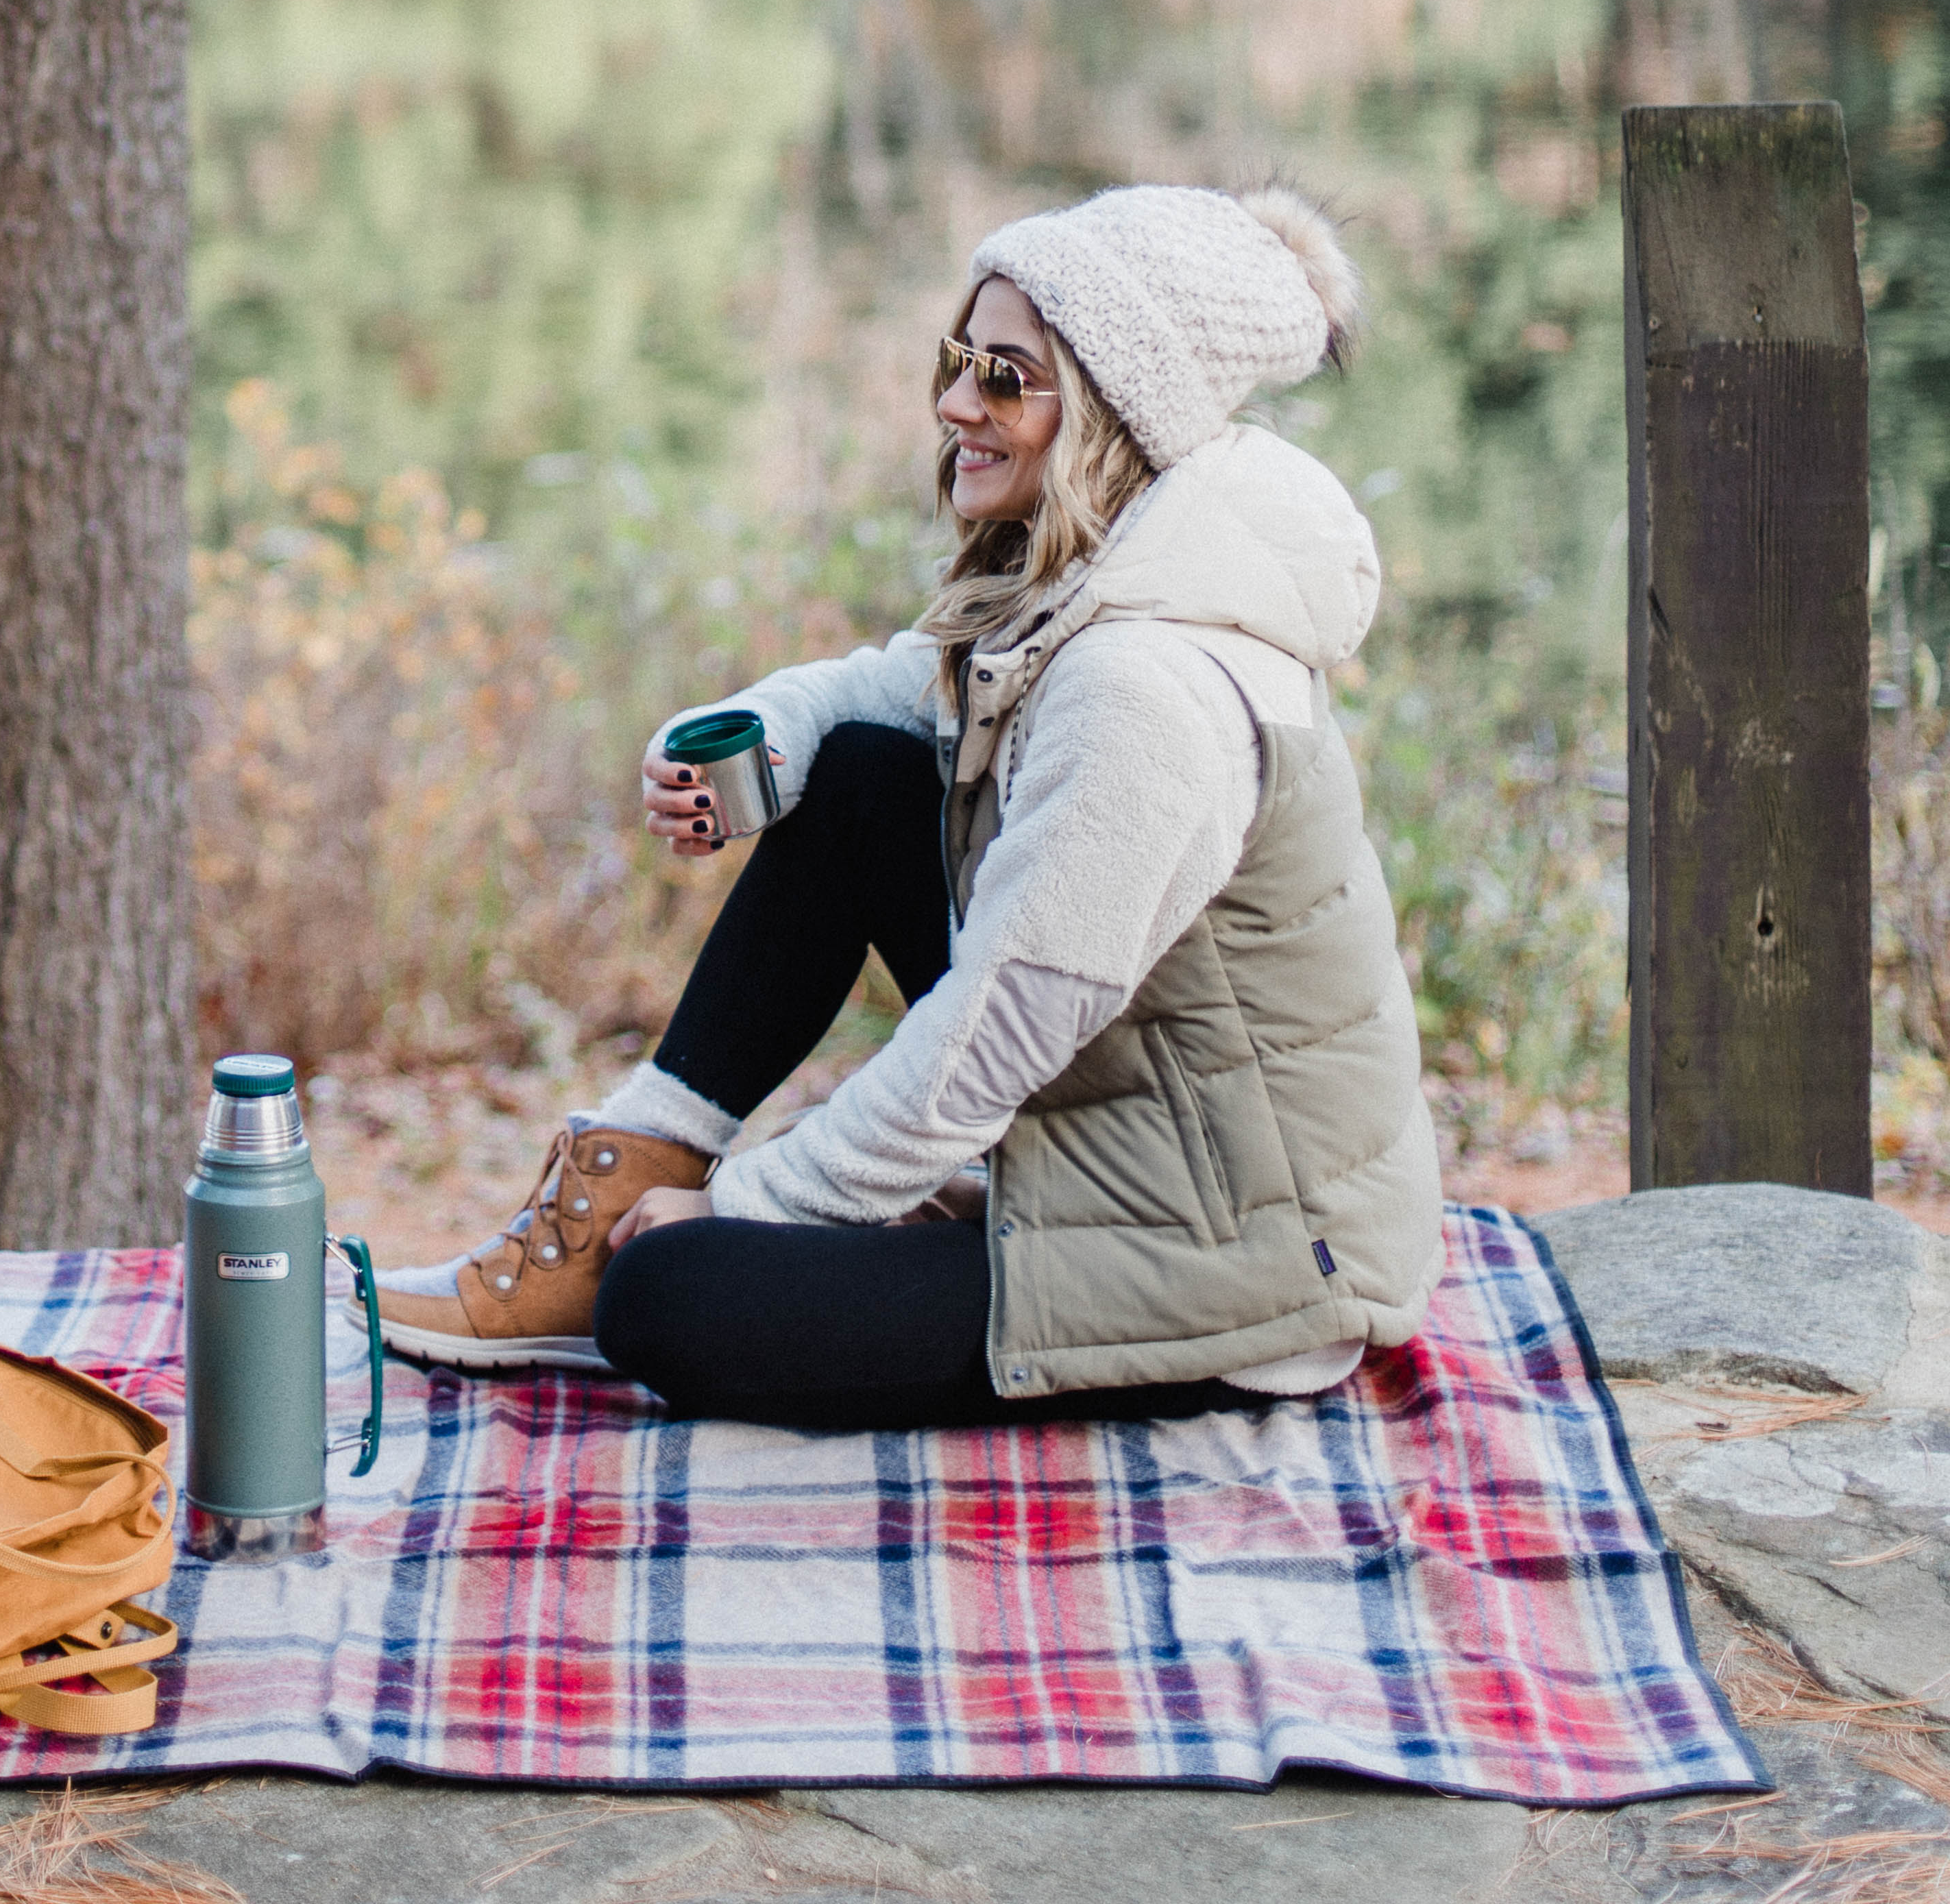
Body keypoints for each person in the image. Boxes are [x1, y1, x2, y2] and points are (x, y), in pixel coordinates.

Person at [367, 181, 1442, 1435]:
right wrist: (762, 733)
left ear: (1110, 409)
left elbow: (990, 1040)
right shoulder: (1110, 566)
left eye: (1005, 377)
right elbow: (885, 693)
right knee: (866, 771)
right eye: (958, 359)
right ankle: (621, 1179)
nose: (954, 405)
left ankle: (626, 1247)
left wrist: (753, 1206)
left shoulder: (1148, 689)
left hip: (1249, 1262)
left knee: (668, 1298)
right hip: (1136, 1153)